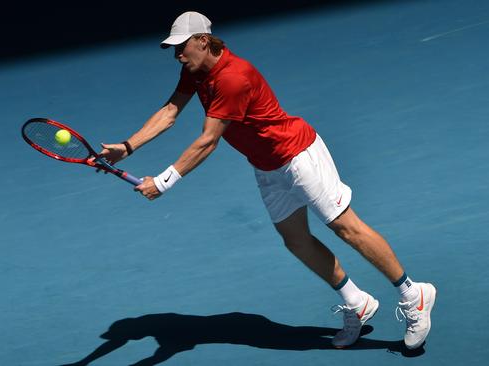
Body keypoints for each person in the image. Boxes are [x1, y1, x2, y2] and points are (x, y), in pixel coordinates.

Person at [99, 11, 436, 350]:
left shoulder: (233, 77)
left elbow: (208, 141)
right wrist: (127, 147)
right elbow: (170, 111)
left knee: (345, 227)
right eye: (174, 49)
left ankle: (413, 294)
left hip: (299, 156)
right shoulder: (195, 70)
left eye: (181, 46)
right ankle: (356, 302)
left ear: (203, 40)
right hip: (267, 166)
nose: (177, 54)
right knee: (296, 240)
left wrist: (164, 181)